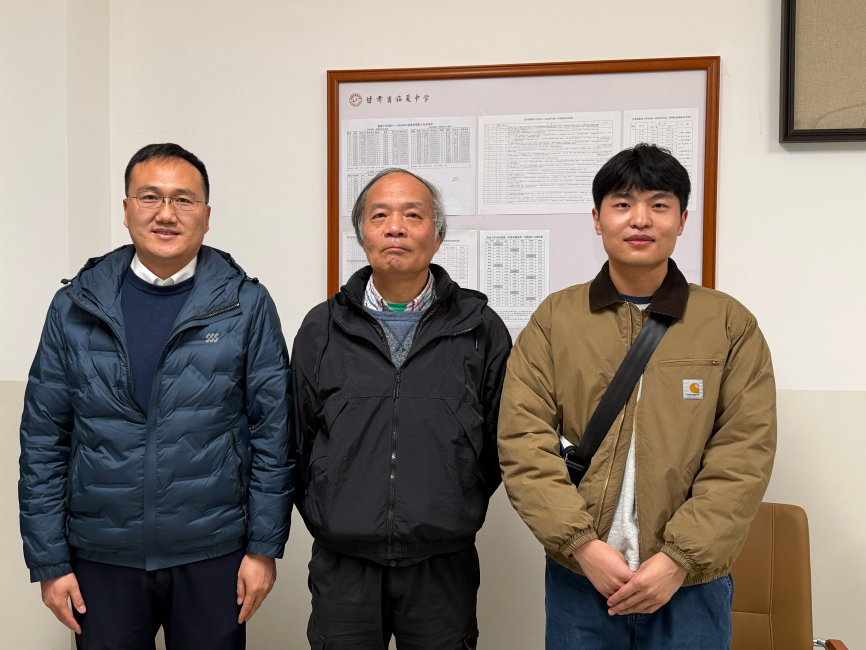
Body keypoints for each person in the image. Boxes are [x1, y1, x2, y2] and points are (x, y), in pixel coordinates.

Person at [498, 144, 777, 650]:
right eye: (623, 204)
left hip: (689, 585)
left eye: (659, 204)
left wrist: (678, 559)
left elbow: (743, 454)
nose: (640, 219)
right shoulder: (556, 319)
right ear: (597, 218)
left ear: (683, 219)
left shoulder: (728, 324)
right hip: (581, 578)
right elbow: (523, 442)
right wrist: (581, 545)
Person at [19, 143, 294, 650]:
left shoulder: (246, 304)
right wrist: (49, 560)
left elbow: (274, 435)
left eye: (183, 200)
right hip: (101, 556)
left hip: (214, 553)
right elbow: (43, 440)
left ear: (206, 216)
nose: (166, 213)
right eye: (150, 197)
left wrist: (263, 548)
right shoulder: (73, 306)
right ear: (126, 210)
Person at [292, 168, 511, 649]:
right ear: (362, 235)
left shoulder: (480, 328)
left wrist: (453, 499)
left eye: (413, 215)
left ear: (437, 237)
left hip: (442, 562)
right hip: (343, 563)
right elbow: (298, 439)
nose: (395, 227)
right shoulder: (321, 328)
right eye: (380, 216)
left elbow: (501, 442)